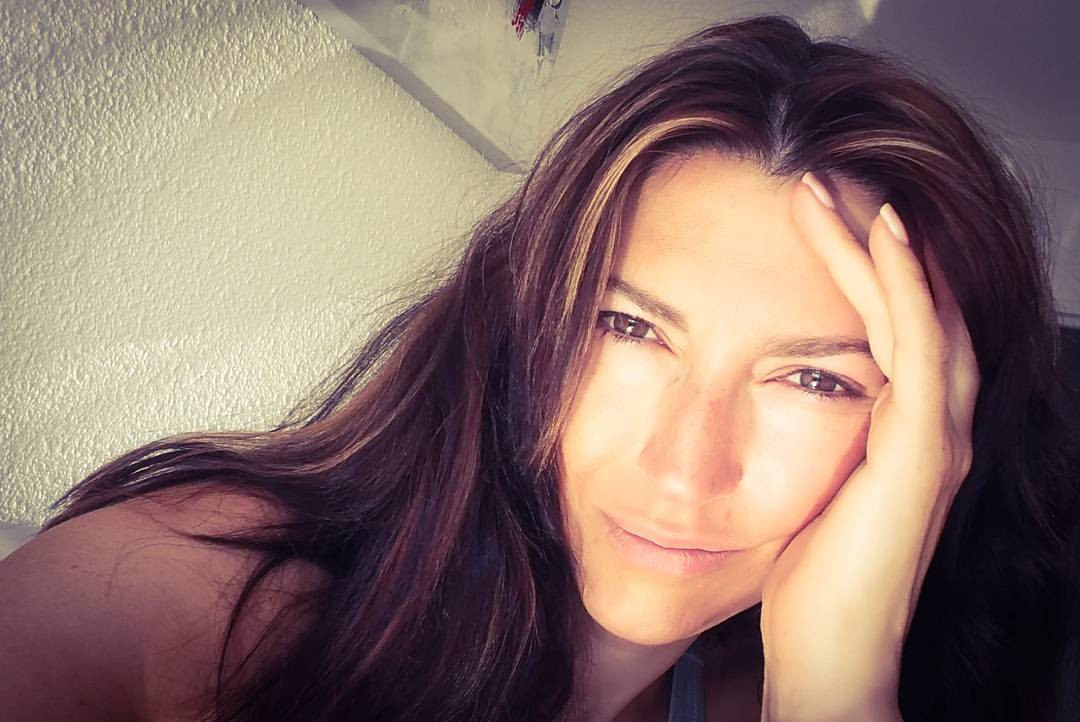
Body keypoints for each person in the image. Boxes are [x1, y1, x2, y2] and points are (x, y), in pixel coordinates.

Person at [2, 14, 1078, 722]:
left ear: (929, 442)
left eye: (816, 379)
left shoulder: (795, 691)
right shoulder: (195, 596)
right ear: (525, 320)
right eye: (630, 327)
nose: (686, 466)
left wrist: (836, 687)